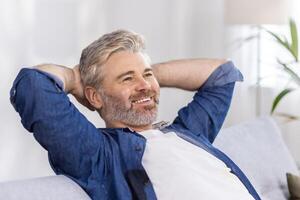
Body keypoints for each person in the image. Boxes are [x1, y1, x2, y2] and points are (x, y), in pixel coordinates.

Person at [10, 29, 260, 200]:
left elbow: (222, 74)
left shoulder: (187, 133)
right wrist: (77, 80)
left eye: (147, 75)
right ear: (95, 97)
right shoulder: (99, 155)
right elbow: (33, 85)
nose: (144, 85)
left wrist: (146, 76)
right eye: (126, 78)